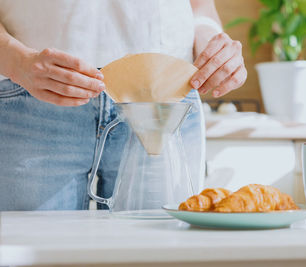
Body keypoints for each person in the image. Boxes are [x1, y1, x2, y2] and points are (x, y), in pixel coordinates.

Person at [0, 0, 247, 211]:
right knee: (35, 253)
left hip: (164, 96)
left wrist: (209, 37)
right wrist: (17, 61)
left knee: (158, 252)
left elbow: (200, 6)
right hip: (34, 91)